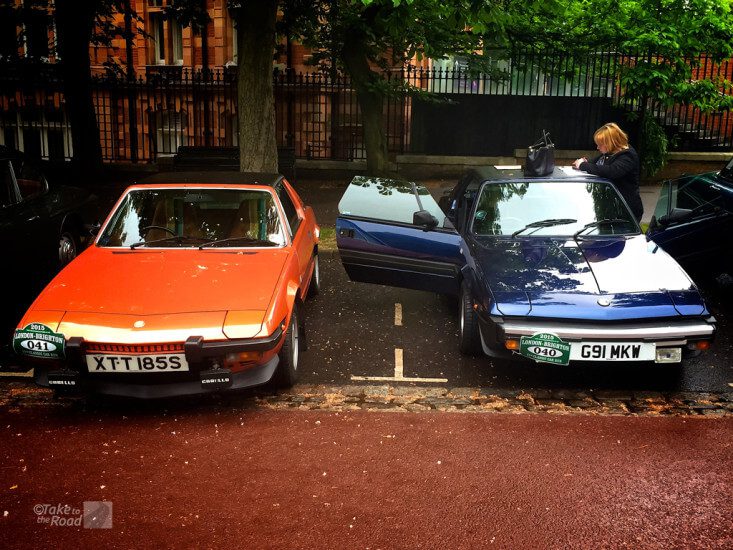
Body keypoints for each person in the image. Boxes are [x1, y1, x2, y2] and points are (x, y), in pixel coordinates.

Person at [572, 122, 643, 221]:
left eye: (600, 145)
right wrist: (584, 162)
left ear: (610, 143)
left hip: (625, 212)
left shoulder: (628, 156)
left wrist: (583, 165)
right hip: (610, 210)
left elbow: (611, 171)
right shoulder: (609, 153)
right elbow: (596, 163)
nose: (597, 147)